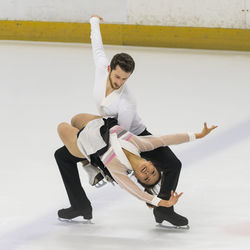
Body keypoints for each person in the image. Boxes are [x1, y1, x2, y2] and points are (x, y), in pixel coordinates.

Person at [69, 14, 191, 226]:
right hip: (107, 130)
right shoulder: (101, 68)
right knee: (66, 147)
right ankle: (84, 187)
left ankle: (164, 210)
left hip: (131, 136)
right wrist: (94, 22)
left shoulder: (127, 102)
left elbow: (122, 136)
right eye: (117, 77)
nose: (119, 82)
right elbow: (97, 48)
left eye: (125, 79)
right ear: (110, 69)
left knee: (173, 164)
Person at [55, 113, 217, 226]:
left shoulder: (118, 169)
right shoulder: (140, 144)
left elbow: (138, 193)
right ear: (152, 164)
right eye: (153, 172)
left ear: (138, 177)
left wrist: (161, 202)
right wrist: (197, 135)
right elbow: (166, 139)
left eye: (145, 178)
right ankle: (88, 171)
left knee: (62, 126)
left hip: (84, 144)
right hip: (101, 124)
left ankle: (88, 164)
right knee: (75, 119)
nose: (147, 172)